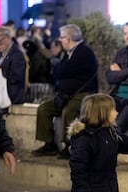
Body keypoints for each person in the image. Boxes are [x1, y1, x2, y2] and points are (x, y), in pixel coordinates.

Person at [31, 24, 98, 160]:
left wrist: (60, 71)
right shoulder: (68, 54)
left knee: (69, 111)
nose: (60, 41)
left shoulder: (84, 52)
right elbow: (57, 71)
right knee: (44, 109)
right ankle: (49, 144)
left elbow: (62, 71)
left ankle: (70, 145)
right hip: (66, 94)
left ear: (69, 38)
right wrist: (60, 71)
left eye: (62, 38)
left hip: (83, 94)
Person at [0, 26, 27, 106]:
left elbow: (16, 77)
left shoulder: (17, 55)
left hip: (11, 98)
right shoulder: (2, 53)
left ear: (6, 38)